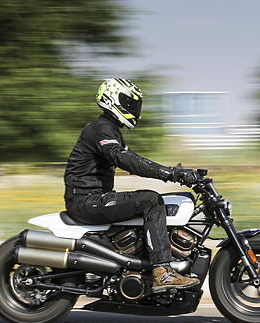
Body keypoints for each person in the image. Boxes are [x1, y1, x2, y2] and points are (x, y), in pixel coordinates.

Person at [63, 78, 201, 293]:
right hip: (86, 201)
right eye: (128, 103)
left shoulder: (109, 130)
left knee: (166, 199)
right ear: (112, 99)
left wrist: (174, 173)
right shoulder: (100, 128)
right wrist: (169, 173)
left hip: (94, 199)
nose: (133, 109)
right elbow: (124, 159)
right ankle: (162, 272)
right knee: (150, 200)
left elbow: (132, 161)